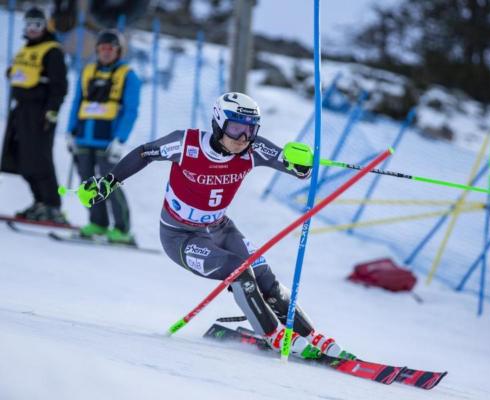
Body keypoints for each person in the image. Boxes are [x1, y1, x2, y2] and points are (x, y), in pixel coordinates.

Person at [75, 92, 354, 359]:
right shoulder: (187, 143)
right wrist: (109, 181)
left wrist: (301, 163)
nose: (243, 138)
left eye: (250, 130)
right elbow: (145, 152)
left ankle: (312, 335)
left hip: (220, 229)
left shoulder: (253, 148)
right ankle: (274, 335)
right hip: (181, 236)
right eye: (236, 128)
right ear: (219, 123)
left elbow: (291, 165)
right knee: (239, 271)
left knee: (264, 276)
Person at [66, 29, 141, 244]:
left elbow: (131, 110)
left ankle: (123, 229)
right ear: (97, 50)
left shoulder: (128, 75)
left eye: (111, 48)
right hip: (84, 138)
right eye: (102, 48)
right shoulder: (87, 71)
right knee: (87, 184)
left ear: (118, 51)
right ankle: (97, 223)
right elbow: (77, 102)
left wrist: (120, 139)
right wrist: (70, 131)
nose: (106, 52)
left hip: (108, 141)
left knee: (110, 184)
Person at [1, 6, 68, 223]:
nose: (32, 29)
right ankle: (39, 201)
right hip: (21, 110)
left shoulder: (52, 51)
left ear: (45, 27)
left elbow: (59, 86)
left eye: (37, 25)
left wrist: (52, 111)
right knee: (23, 157)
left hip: (40, 112)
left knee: (40, 158)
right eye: (29, 24)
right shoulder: (26, 49)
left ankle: (52, 205)